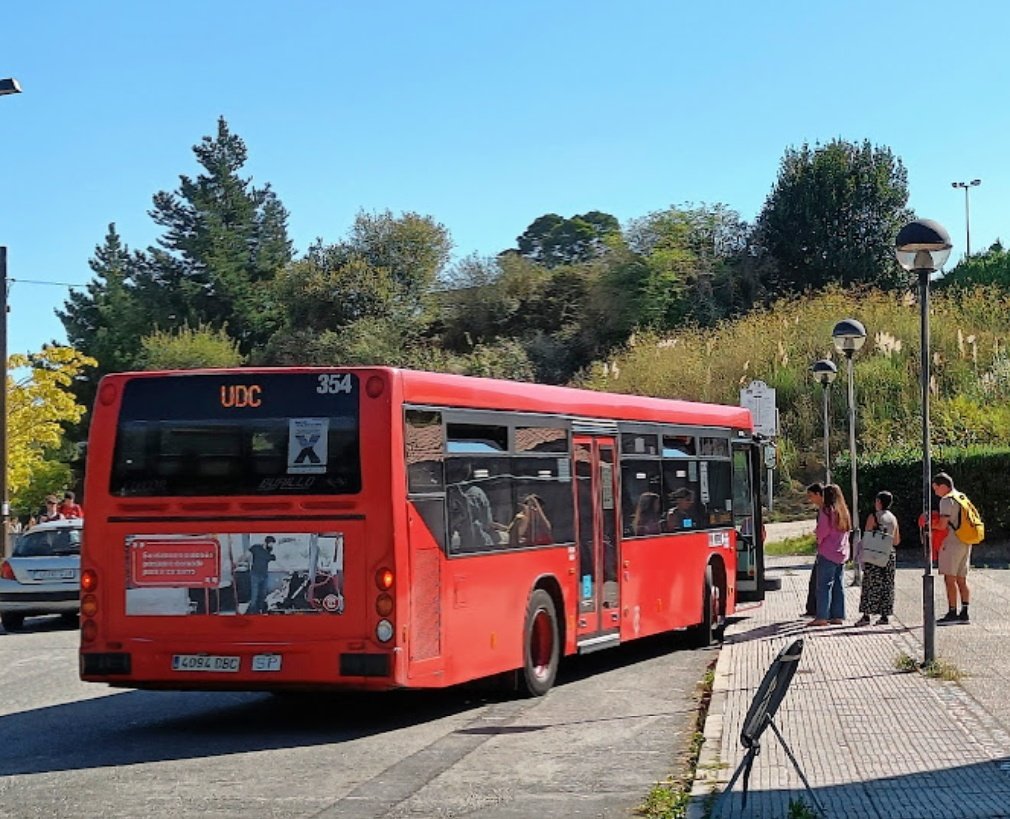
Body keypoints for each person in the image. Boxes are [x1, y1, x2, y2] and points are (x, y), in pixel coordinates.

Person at [855, 490, 900, 626]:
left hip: (874, 555)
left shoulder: (873, 517)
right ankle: (885, 616)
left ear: (879, 502)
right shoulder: (893, 518)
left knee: (870, 584)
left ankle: (866, 616)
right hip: (889, 555)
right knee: (887, 585)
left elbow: (868, 536)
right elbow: (896, 540)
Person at [933, 472, 972, 624]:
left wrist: (930, 525)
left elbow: (943, 525)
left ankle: (952, 613)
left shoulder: (946, 500)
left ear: (943, 486)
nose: (935, 492)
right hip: (965, 541)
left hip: (952, 542)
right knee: (962, 579)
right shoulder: (962, 497)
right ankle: (965, 612)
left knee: (949, 578)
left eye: (936, 488)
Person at [811, 483, 851, 626]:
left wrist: (817, 538)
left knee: (823, 585)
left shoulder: (826, 511)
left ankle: (822, 617)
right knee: (838, 585)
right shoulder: (844, 511)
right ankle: (838, 615)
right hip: (841, 552)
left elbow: (822, 531)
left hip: (827, 552)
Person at [802, 483, 824, 617]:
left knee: (818, 581)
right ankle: (812, 609)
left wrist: (818, 536)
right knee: (814, 580)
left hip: (825, 550)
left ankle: (815, 610)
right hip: (823, 549)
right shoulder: (822, 510)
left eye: (811, 496)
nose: (810, 499)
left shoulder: (825, 511)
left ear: (818, 494)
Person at [248, 535, 277, 614]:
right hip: (255, 575)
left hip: (264, 575)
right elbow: (247, 554)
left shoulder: (269, 552)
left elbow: (273, 558)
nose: (271, 546)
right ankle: (252, 612)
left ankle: (260, 611)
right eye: (270, 544)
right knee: (254, 595)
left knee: (263, 594)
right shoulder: (256, 548)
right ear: (266, 542)